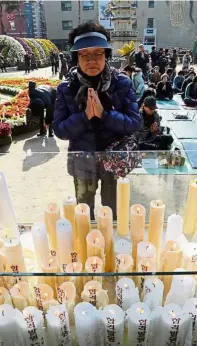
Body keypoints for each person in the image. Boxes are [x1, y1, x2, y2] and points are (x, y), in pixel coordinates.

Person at [52, 22, 140, 219]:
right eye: (85, 54)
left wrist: (105, 115)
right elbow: (59, 129)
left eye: (98, 54)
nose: (92, 61)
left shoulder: (122, 83)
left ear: (106, 55)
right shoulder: (66, 88)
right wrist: (84, 118)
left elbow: (135, 123)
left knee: (112, 209)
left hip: (114, 160)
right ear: (76, 57)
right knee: (84, 210)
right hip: (82, 161)